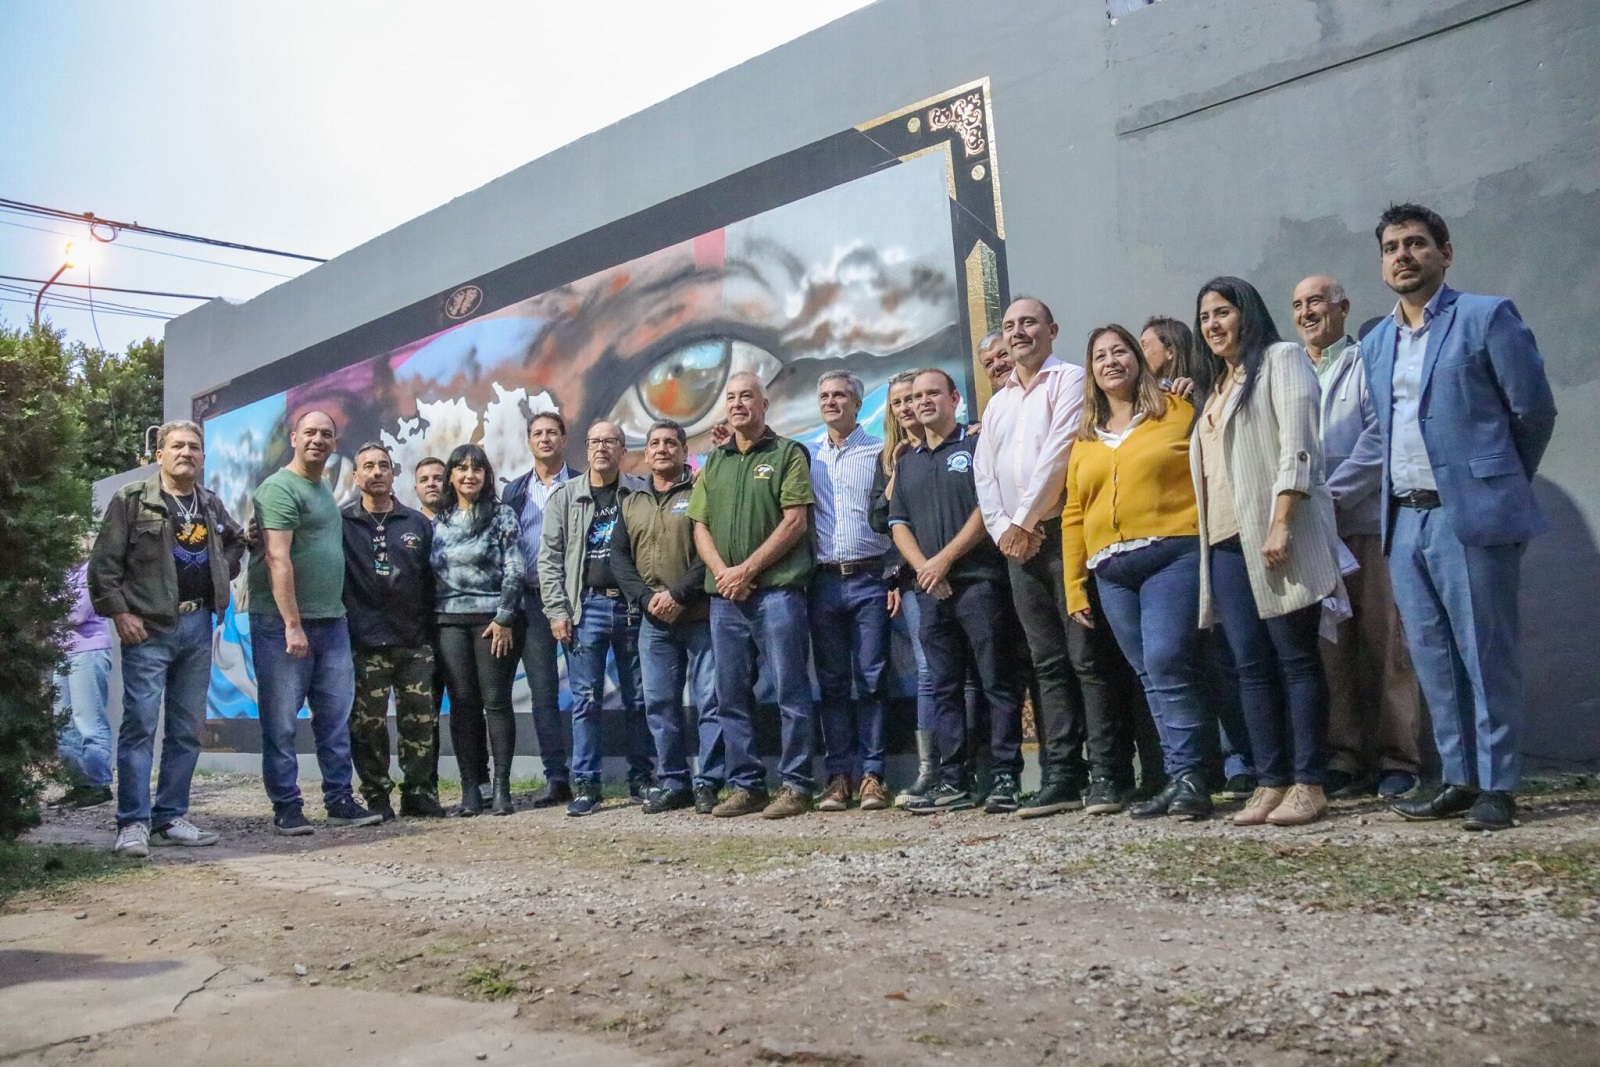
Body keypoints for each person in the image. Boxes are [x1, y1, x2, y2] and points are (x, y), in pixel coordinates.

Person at [1364, 204, 1557, 832]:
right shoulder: (1376, 342)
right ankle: (1458, 777)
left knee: (1485, 654)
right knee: (1433, 659)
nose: (1403, 255)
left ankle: (1498, 785)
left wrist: (1493, 483)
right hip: (1405, 520)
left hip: (1468, 516)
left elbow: (1533, 411)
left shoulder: (1486, 316)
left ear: (1445, 253)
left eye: (1416, 243)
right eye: (1391, 247)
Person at [976, 296, 1142, 818]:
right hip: (1017, 546)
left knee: (1088, 658)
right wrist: (1004, 530)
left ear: (1051, 329)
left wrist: (1023, 522)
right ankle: (1062, 776)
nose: (1017, 332)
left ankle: (1110, 773)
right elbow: (984, 472)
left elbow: (1059, 453)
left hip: (1064, 537)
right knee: (1047, 664)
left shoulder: (1071, 380)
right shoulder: (999, 401)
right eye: (1009, 325)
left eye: (1028, 322)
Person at [1191, 278, 1344, 827]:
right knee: (1250, 667)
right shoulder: (1215, 387)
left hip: (1274, 534)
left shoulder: (1281, 360)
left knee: (1296, 659)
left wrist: (1281, 521)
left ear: (1247, 313)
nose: (1213, 325)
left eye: (1223, 312)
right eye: (1205, 317)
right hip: (1224, 544)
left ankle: (1309, 782)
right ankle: (1270, 780)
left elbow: (1298, 446)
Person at [1062, 326, 1212, 820]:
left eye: (1120, 351)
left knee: (1168, 662)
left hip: (1172, 552)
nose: (1111, 361)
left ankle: (1194, 778)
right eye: (1100, 355)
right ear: (1092, 371)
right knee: (1148, 674)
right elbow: (1074, 513)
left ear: (1138, 359)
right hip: (1110, 570)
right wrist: (1074, 586)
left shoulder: (1178, 410)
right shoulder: (1086, 438)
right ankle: (1178, 777)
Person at [1290, 274, 1423, 799]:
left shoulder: (1366, 360)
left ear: (1342, 307)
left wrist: (1329, 497)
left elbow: (1378, 438)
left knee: (1386, 644)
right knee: (1331, 650)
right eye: (1298, 305)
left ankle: (1399, 759)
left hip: (1364, 525)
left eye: (1316, 301)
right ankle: (1344, 756)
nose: (1306, 312)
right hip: (1312, 535)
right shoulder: (1289, 369)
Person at [91, 421, 246, 855]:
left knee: (186, 730)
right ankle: (132, 823)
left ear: (203, 456)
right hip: (148, 629)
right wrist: (120, 612)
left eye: (194, 447)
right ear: (159, 454)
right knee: (140, 726)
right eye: (177, 446)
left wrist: (222, 572)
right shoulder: (131, 500)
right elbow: (103, 565)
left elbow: (236, 542)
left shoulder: (209, 503)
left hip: (197, 627)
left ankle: (170, 817)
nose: (186, 453)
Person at [889, 369, 1024, 814]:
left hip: (979, 582)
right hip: (931, 589)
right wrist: (926, 569)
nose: (923, 401)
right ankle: (953, 780)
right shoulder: (907, 461)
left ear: (954, 398)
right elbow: (898, 523)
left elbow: (987, 509)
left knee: (996, 681)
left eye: (933, 393)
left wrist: (944, 560)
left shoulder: (975, 445)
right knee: (945, 687)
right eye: (917, 396)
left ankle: (1004, 776)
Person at [689, 371, 816, 819]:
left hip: (777, 593)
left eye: (747, 396)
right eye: (731, 397)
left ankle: (797, 785)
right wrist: (724, 573)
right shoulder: (715, 461)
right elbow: (699, 525)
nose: (738, 404)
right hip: (725, 599)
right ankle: (747, 785)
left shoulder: (787, 454)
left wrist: (747, 570)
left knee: (790, 691)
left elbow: (795, 521)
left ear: (764, 404)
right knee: (730, 696)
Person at [249, 410, 383, 835]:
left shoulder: (322, 486)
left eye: (326, 434)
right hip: (284, 625)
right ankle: (287, 806)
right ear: (294, 438)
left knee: (335, 719)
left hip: (332, 621)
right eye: (309, 432)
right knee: (281, 722)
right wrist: (292, 624)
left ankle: (339, 799)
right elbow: (277, 558)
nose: (318, 440)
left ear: (334, 442)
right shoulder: (279, 489)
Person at [538, 420, 653, 816]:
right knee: (586, 700)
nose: (601, 448)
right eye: (595, 441)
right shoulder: (565, 496)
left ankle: (642, 779)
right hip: (585, 609)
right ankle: (586, 785)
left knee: (639, 698)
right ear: (586, 449)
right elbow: (549, 559)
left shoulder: (639, 491)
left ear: (622, 449)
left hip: (632, 608)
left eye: (610, 441)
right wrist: (557, 611)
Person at [611, 420, 722, 815]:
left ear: (684, 450)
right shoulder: (631, 500)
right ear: (646, 452)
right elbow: (618, 557)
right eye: (655, 443)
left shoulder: (701, 491)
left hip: (699, 613)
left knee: (710, 701)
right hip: (653, 621)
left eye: (671, 443)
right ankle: (673, 781)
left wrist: (678, 595)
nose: (662, 449)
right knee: (659, 703)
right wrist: (646, 600)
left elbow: (711, 549)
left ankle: (709, 782)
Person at [341, 443, 443, 820]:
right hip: (364, 643)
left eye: (383, 465)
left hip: (413, 643)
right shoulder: (342, 523)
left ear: (393, 473)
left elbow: (432, 581)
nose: (377, 472)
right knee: (367, 726)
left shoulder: (416, 523)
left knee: (420, 723)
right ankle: (377, 796)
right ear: (356, 477)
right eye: (368, 466)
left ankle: (419, 793)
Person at [809, 370, 893, 812]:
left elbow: (896, 513)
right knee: (832, 684)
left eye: (840, 395)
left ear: (857, 404)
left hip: (870, 578)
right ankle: (839, 777)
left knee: (873, 679)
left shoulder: (880, 452)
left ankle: (873, 775)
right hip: (823, 581)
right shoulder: (807, 456)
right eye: (824, 395)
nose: (831, 401)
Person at [431, 443, 525, 816]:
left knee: (496, 702)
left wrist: (505, 617)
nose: (469, 475)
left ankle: (501, 788)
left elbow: (515, 567)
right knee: (462, 705)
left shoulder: (502, 515)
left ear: (486, 475)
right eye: (461, 468)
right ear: (451, 475)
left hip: (493, 622)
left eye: (477, 468)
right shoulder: (438, 520)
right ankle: (472, 788)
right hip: (448, 622)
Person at [502, 412, 578, 808]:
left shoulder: (582, 484)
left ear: (564, 439)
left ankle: (588, 773)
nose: (545, 439)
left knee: (585, 690)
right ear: (529, 441)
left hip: (576, 599)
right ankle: (556, 777)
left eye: (552, 432)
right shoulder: (514, 491)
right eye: (537, 433)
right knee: (544, 693)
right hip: (532, 604)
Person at [870, 371, 937, 806]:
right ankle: (930, 769)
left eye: (911, 398)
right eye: (897, 402)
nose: (906, 407)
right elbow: (882, 519)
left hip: (958, 569)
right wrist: (897, 470)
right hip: (913, 579)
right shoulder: (888, 459)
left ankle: (974, 765)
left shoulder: (956, 443)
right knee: (927, 669)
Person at [54, 555, 114, 809]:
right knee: (63, 722)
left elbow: (77, 613)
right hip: (60, 650)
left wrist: (46, 613)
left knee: (88, 720)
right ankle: (79, 784)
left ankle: (98, 785)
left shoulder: (91, 569)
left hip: (88, 650)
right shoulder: (56, 572)